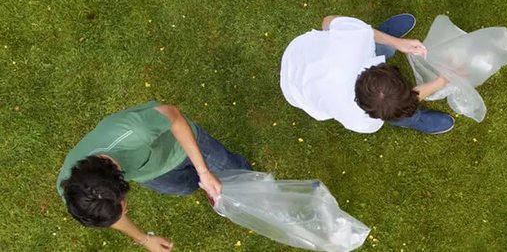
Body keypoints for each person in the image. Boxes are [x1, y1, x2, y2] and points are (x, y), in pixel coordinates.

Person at [58, 101, 252, 251]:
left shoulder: (134, 132)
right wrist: (144, 239)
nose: (124, 211)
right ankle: (210, 188)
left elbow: (174, 116)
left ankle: (246, 189)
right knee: (186, 187)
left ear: (120, 181)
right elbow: (109, 213)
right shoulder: (73, 190)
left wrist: (204, 171)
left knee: (232, 170)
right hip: (150, 171)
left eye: (122, 207)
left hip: (178, 143)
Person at [280, 13, 455, 135]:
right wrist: (439, 82)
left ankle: (385, 40)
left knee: (373, 41)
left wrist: (399, 43)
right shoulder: (357, 118)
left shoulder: (353, 40)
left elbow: (328, 22)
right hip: (299, 88)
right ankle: (414, 120)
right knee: (398, 114)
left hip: (301, 54)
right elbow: (395, 108)